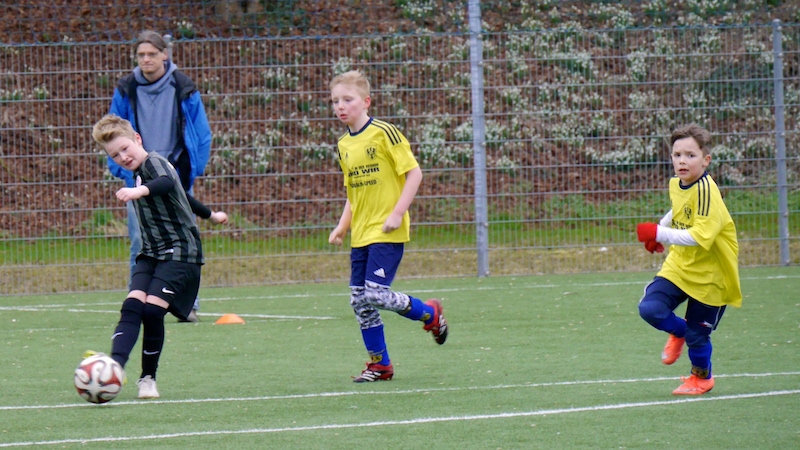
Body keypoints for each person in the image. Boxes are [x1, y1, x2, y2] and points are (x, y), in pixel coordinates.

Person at [91, 114, 228, 399]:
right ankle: (113, 368)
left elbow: (165, 183)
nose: (123, 157)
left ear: (137, 139)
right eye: (115, 155)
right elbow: (182, 195)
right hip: (152, 252)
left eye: (125, 148)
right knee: (132, 306)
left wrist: (139, 191)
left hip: (180, 251)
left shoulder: (154, 163)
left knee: (153, 310)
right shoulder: (138, 173)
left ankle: (148, 379)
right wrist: (212, 215)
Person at [327, 70, 448, 383]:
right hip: (361, 234)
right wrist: (342, 226)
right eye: (335, 101)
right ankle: (380, 365)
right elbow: (353, 193)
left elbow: (414, 174)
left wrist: (397, 213)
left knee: (376, 295)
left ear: (366, 102)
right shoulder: (343, 145)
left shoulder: (385, 133)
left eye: (348, 100)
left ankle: (430, 313)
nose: (341, 106)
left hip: (387, 231)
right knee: (359, 300)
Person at [107, 30, 212, 322]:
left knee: (185, 241)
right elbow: (112, 131)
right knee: (140, 242)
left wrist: (192, 168)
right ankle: (137, 302)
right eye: (141, 55)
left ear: (165, 54)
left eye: (152, 54)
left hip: (174, 177)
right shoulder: (126, 88)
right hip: (138, 180)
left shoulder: (183, 87)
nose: (146, 59)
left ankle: (188, 306)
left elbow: (201, 132)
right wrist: (123, 171)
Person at [636, 123, 741, 395]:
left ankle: (702, 378)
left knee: (698, 335)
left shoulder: (707, 191)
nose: (682, 160)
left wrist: (658, 232)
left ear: (706, 160)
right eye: (677, 154)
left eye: (690, 155)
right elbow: (678, 209)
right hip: (681, 266)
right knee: (650, 309)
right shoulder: (678, 183)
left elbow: (699, 236)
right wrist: (661, 229)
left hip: (711, 276)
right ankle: (678, 330)